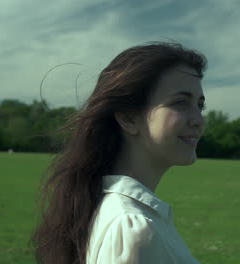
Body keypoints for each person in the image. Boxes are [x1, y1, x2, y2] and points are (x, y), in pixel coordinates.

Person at [29, 41, 206, 264]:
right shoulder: (133, 228)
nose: (199, 120)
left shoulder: (119, 212)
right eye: (181, 102)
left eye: (200, 105)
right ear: (128, 118)